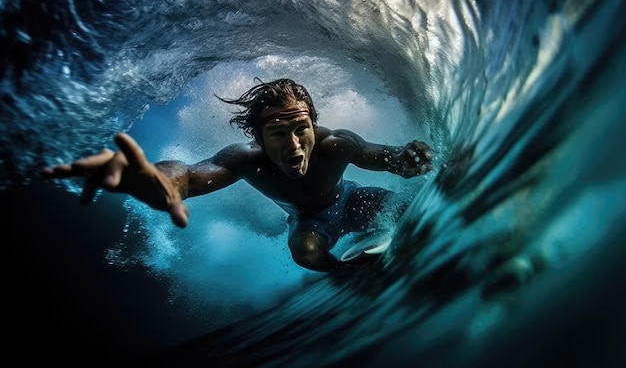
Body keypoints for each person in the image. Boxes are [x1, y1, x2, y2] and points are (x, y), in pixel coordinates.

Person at [43, 78, 434, 272]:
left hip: (349, 198)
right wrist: (159, 180)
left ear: (314, 124)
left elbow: (383, 157)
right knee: (306, 253)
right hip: (312, 223)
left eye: (301, 129)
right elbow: (192, 176)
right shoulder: (246, 161)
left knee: (408, 208)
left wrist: (409, 157)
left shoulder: (337, 145)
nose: (295, 145)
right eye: (278, 134)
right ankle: (347, 278)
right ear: (259, 138)